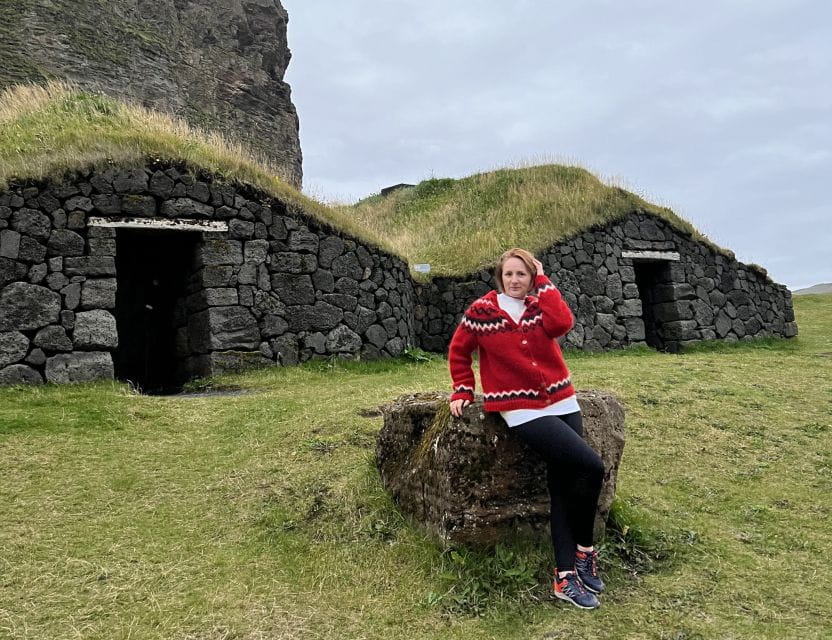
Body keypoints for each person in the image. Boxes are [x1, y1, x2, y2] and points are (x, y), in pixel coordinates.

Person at [448, 248, 606, 610]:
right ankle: (586, 549)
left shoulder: (540, 306)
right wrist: (462, 388)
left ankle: (566, 575)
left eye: (523, 274)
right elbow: (459, 352)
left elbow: (562, 324)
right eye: (509, 274)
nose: (515, 280)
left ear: (532, 277)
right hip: (520, 409)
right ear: (500, 278)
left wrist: (546, 281)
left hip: (563, 401)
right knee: (591, 466)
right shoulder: (481, 313)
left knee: (563, 486)